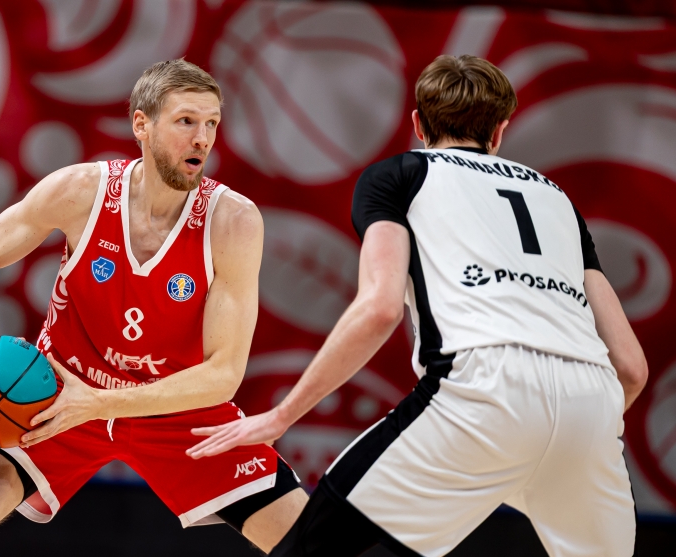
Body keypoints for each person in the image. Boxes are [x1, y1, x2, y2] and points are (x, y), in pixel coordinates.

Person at [188, 54, 647, 557]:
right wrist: (564, 436)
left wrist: (281, 416)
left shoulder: (401, 174)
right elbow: (630, 367)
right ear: (499, 131)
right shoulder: (559, 201)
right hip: (593, 404)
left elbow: (380, 308)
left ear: (418, 125)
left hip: (483, 388)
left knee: (312, 548)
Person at [0, 59, 307, 557]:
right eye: (186, 121)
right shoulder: (80, 191)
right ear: (141, 124)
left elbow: (223, 374)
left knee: (309, 541)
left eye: (211, 123)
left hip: (173, 407)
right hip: (59, 394)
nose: (202, 138)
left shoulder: (233, 222)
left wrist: (100, 403)